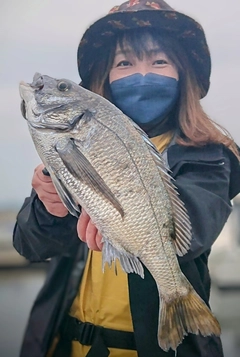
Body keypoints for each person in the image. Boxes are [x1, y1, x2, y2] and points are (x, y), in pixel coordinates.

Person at [13, 1, 240, 356]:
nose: (143, 74)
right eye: (125, 63)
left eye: (159, 61)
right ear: (105, 76)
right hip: (63, 344)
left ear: (183, 73)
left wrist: (122, 219)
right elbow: (29, 246)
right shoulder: (73, 148)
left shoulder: (210, 155)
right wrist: (48, 204)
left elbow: (191, 234)